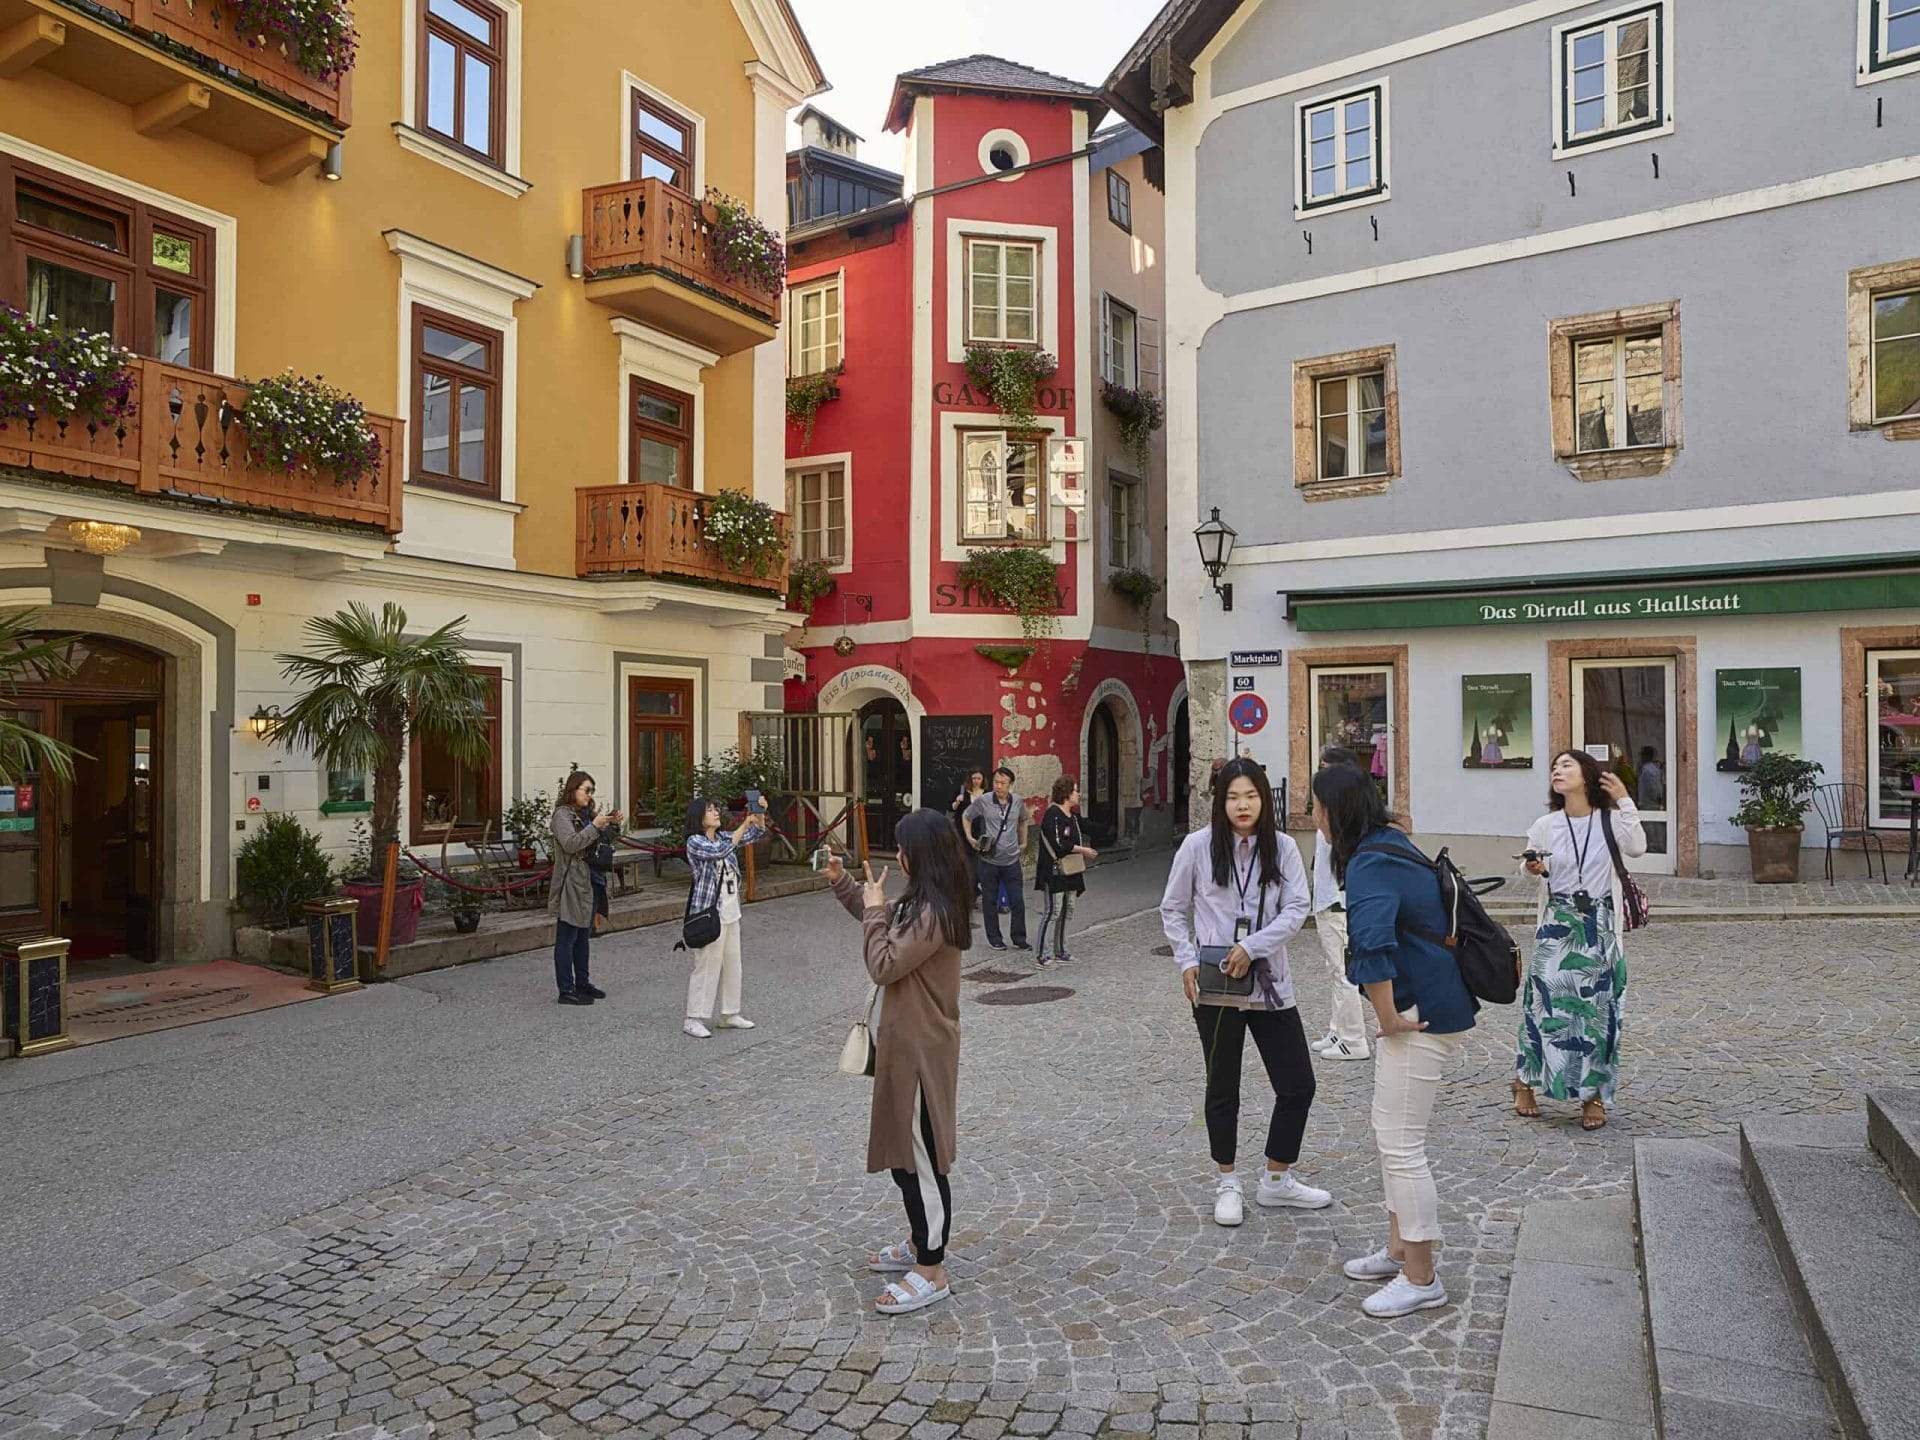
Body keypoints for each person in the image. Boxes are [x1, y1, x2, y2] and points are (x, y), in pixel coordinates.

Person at [1317, 763, 1478, 1319]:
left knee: (1402, 1144)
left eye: (1317, 808)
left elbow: (1371, 944)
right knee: (1391, 1136)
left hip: (1418, 1013)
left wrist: (1385, 1018)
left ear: (1335, 812)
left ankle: (1421, 1276)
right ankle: (1397, 1248)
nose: (1313, 818)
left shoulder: (1369, 862)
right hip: (1433, 1002)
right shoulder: (1390, 843)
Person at [1159, 757, 1330, 1227]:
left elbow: (1298, 907)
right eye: (1233, 797)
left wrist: (1252, 947)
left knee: (1297, 1084)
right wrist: (1187, 960)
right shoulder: (1197, 847)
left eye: (1250, 796)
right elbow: (1172, 909)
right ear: (1221, 801)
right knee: (1223, 1086)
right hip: (1218, 988)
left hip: (1271, 984)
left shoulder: (1282, 847)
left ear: (1263, 799)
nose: (1241, 805)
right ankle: (1227, 1179)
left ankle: (1277, 1178)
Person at [823, 810, 970, 1315]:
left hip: (920, 1054)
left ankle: (932, 1267)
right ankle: (917, 1240)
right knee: (903, 1156)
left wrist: (872, 910)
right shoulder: (922, 904)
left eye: (902, 846)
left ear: (918, 855)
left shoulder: (935, 913)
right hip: (901, 1047)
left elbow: (883, 962)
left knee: (922, 1161)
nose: (897, 855)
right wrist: (846, 886)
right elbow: (882, 929)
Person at [1515, 750, 1647, 1130]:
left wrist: (1624, 798)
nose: (1557, 771)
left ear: (1587, 775)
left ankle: (1593, 1097)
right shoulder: (1546, 825)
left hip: (1600, 924)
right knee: (1543, 1006)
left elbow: (1637, 847)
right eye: (1554, 768)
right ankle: (1525, 1082)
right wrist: (1531, 866)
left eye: (1566, 765)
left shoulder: (1610, 820)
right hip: (1558, 922)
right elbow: (1525, 868)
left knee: (1600, 1012)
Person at [682, 796, 763, 1039]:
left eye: (716, 808)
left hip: (730, 910)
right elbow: (719, 851)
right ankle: (693, 1017)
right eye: (710, 810)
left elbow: (755, 833)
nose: (716, 812)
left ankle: (730, 1013)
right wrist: (744, 824)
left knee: (732, 963)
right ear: (699, 817)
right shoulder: (695, 842)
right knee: (707, 965)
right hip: (709, 911)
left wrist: (759, 813)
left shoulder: (724, 836)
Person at [1308, 747, 1369, 1062]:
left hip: (1336, 902)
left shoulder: (1345, 816)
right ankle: (1337, 1029)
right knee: (1334, 970)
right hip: (1325, 900)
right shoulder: (1328, 809)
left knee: (1344, 972)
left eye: (1324, 766)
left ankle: (1353, 1038)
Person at [549, 771, 621, 1006]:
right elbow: (571, 844)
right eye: (586, 790)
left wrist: (611, 824)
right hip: (572, 882)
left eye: (592, 791)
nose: (590, 796)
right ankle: (566, 989)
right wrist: (595, 826)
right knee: (567, 936)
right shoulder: (562, 815)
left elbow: (596, 844)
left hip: (591, 881)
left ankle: (582, 983)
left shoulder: (585, 814)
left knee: (583, 936)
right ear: (573, 790)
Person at [1034, 775, 1096, 969]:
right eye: (1076, 790)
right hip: (1055, 871)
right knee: (1052, 911)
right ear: (1066, 794)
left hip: (1072, 870)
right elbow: (1059, 844)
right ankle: (1042, 955)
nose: (1079, 794)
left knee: (1067, 911)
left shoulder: (1074, 817)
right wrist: (1082, 850)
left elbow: (1085, 830)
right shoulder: (1052, 814)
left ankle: (1061, 950)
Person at [966, 766, 1029, 950]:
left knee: (1017, 900)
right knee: (990, 901)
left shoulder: (1017, 802)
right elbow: (966, 816)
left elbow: (1024, 820)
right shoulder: (984, 800)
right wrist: (970, 838)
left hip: (1011, 860)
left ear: (1011, 785)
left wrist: (1023, 842)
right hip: (989, 861)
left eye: (1002, 783)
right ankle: (994, 938)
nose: (998, 786)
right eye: (996, 782)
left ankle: (1019, 937)